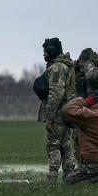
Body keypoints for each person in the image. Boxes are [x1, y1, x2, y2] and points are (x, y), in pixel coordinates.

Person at [40, 37, 76, 183]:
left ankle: (52, 177)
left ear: (51, 51)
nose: (43, 54)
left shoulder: (56, 68)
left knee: (53, 144)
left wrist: (49, 117)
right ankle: (69, 176)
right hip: (66, 112)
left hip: (57, 114)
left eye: (45, 51)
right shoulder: (66, 66)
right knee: (65, 144)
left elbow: (55, 94)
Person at [62, 91, 98, 184]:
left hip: (95, 161)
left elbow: (67, 109)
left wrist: (84, 101)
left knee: (69, 180)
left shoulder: (87, 115)